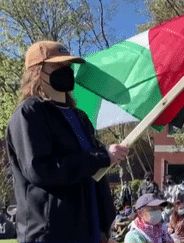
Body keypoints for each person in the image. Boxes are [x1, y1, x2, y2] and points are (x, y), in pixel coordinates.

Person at [5, 41, 129, 242]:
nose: (66, 71)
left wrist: (105, 226)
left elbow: (95, 175)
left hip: (89, 233)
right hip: (51, 235)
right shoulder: (30, 113)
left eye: (68, 66)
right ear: (37, 71)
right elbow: (41, 170)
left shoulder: (79, 117)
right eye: (57, 66)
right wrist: (102, 157)